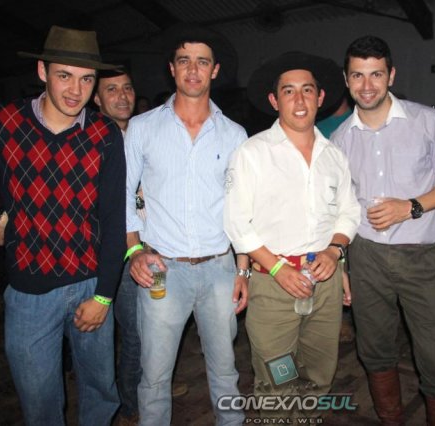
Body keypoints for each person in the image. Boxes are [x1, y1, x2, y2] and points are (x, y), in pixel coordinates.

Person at [0, 26, 125, 424]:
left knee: (101, 391)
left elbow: (113, 218)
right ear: (42, 71)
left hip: (90, 283)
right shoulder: (2, 122)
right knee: (39, 402)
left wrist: (105, 296)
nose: (76, 90)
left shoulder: (104, 133)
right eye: (64, 75)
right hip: (29, 294)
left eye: (86, 79)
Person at [331, 35, 435, 425]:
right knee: (374, 350)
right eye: (358, 75)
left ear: (391, 75)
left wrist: (412, 206)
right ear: (346, 79)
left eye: (376, 74)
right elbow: (337, 209)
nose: (367, 85)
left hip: (420, 257)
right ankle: (391, 417)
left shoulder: (427, 121)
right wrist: (342, 265)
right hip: (365, 256)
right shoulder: (339, 139)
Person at [224, 51, 360, 420]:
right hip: (273, 287)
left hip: (324, 282)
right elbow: (237, 221)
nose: (299, 100)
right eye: (288, 91)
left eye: (307, 90)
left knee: (318, 376)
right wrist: (277, 269)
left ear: (320, 97)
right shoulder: (253, 153)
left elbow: (349, 212)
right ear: (274, 100)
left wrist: (334, 252)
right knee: (277, 380)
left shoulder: (334, 155)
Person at [124, 28, 248, 426]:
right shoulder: (142, 128)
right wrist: (134, 250)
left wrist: (242, 269)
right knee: (155, 376)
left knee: (226, 371)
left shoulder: (234, 134)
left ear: (215, 70)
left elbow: (242, 207)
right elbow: (123, 195)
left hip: (219, 268)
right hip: (162, 269)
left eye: (202, 62)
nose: (193, 70)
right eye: (184, 61)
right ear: (172, 69)